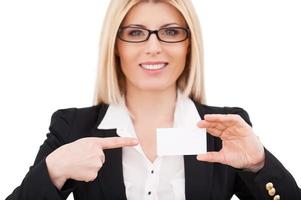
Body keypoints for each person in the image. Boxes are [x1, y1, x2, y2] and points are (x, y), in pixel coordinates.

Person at [6, 0, 301, 199]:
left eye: (171, 32)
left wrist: (259, 164)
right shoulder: (72, 125)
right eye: (135, 33)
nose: (153, 47)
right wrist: (54, 171)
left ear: (189, 45)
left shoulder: (224, 128)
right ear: (115, 46)